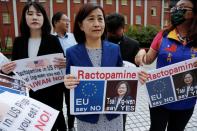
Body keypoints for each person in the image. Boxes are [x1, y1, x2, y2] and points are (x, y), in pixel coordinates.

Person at [64, 3, 147, 131]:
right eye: (91, 19)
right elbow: (69, 81)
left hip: (112, 115)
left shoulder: (114, 49)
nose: (97, 24)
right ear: (80, 25)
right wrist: (67, 82)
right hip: (88, 118)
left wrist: (136, 77)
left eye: (100, 18)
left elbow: (122, 76)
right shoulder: (71, 52)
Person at [1, 2, 66, 131]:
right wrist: (5, 70)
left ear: (44, 18)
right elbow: (15, 71)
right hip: (28, 98)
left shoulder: (52, 40)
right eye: (30, 14)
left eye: (38, 14)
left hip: (51, 97)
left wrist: (66, 63)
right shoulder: (19, 42)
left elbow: (61, 67)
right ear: (24, 18)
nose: (34, 17)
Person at [135, 0, 197, 130]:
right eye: (175, 7)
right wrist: (141, 53)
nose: (176, 10)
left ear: (194, 13)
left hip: (186, 99)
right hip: (160, 96)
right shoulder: (163, 35)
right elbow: (147, 60)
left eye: (182, 7)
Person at [105, 13, 140, 131]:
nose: (112, 34)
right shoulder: (99, 42)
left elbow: (135, 70)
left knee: (121, 123)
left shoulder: (133, 44)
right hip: (103, 89)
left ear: (122, 28)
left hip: (122, 92)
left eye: (116, 30)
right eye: (110, 31)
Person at [52, 12, 76, 131]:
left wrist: (68, 61)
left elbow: (79, 55)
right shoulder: (49, 39)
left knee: (71, 104)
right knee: (57, 105)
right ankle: (62, 127)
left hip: (70, 77)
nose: (68, 22)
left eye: (68, 20)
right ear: (56, 22)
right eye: (65, 20)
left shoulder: (73, 37)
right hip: (55, 80)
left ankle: (71, 126)